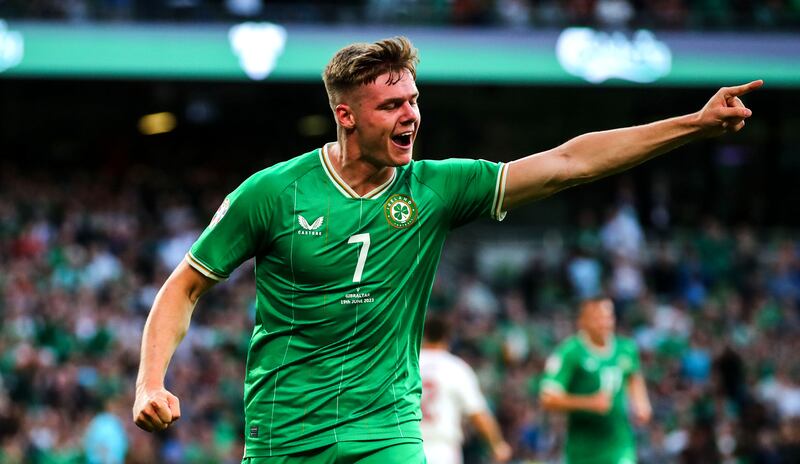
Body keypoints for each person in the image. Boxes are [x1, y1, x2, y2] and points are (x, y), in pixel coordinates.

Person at [132, 36, 759, 463]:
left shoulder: (436, 187)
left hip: (388, 432)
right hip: (286, 431)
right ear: (346, 116)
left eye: (413, 101)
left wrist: (693, 125)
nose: (410, 116)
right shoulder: (273, 193)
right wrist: (149, 383)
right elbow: (185, 286)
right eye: (391, 106)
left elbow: (569, 163)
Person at [539, 297, 652, 464]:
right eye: (597, 318)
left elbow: (634, 376)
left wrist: (641, 403)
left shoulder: (626, 349)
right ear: (582, 322)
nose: (604, 323)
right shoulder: (570, 352)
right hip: (582, 450)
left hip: (619, 444)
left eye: (608, 317)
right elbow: (547, 397)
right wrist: (588, 403)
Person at [419, 316, 512, 464]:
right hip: (442, 449)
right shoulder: (456, 368)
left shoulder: (409, 365)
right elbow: (478, 413)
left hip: (408, 446)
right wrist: (497, 444)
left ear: (422, 335)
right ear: (448, 337)